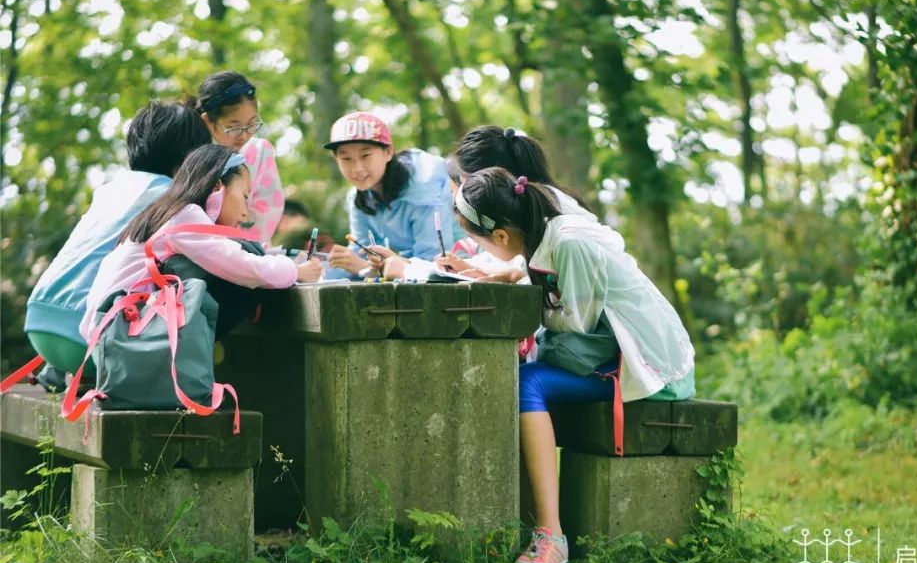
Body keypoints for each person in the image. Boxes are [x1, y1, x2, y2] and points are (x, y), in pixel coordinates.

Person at [452, 168, 695, 563]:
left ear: (500, 238)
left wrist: (526, 316)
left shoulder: (569, 244)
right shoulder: (547, 235)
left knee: (527, 382)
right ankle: (534, 523)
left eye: (478, 242)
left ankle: (551, 536)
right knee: (523, 371)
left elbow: (576, 322)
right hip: (606, 351)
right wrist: (514, 275)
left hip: (650, 367)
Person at [23, 101, 211, 381]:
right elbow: (217, 252)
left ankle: (66, 374)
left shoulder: (111, 190)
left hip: (41, 324)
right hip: (89, 339)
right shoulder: (173, 199)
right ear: (190, 159)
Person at [80, 145, 322, 343]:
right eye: (245, 196)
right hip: (121, 338)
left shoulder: (165, 210)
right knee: (243, 283)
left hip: (106, 333)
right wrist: (297, 271)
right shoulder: (186, 214)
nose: (246, 213)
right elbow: (242, 265)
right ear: (218, 186)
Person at [436, 125, 596, 282]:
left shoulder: (554, 216)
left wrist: (515, 276)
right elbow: (516, 259)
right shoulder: (534, 207)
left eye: (467, 185)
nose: (464, 194)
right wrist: (468, 266)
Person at [324, 111, 461, 279]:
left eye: (365, 155)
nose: (357, 168)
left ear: (388, 152)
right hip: (412, 272)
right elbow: (363, 253)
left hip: (465, 269)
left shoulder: (423, 185)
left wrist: (369, 267)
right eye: (346, 159)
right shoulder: (359, 198)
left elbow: (435, 262)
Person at [189, 71, 283, 245]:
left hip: (247, 250)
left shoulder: (259, 151)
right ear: (208, 121)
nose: (244, 135)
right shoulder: (193, 158)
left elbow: (266, 211)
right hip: (200, 246)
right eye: (234, 127)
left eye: (252, 124)